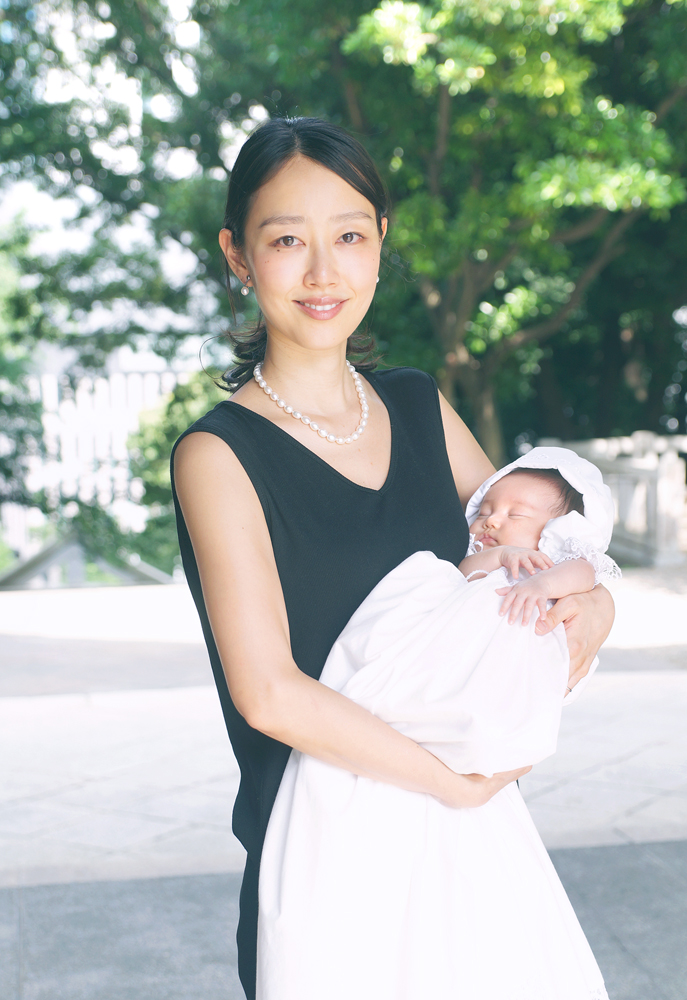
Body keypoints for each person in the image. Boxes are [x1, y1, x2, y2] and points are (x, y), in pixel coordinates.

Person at [170, 116, 616, 1000]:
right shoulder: (218, 456)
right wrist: (454, 783)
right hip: (331, 863)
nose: (323, 272)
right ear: (238, 254)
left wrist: (595, 610)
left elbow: (547, 550)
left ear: (381, 242)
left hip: (471, 856)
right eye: (287, 240)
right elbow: (268, 692)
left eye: (348, 236)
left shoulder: (417, 406)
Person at [257, 447, 620, 1000]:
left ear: (561, 529)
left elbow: (587, 572)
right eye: (486, 509)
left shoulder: (559, 560)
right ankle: (385, 706)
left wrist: (546, 588)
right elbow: (456, 576)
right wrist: (493, 563)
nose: (492, 520)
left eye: (515, 514)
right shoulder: (482, 557)